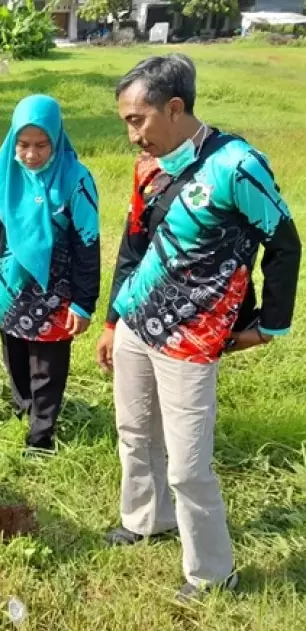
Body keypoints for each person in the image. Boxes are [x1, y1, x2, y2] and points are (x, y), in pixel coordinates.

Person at [96, 54, 301, 600]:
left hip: (192, 338)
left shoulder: (237, 167)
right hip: (140, 321)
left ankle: (213, 574)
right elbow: (134, 245)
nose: (132, 135)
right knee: (135, 434)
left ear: (176, 107)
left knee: (188, 467)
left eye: (137, 120)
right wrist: (114, 320)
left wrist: (269, 327)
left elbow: (284, 243)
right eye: (126, 123)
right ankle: (144, 519)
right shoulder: (150, 166)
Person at [0, 94, 101, 453]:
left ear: (56, 139)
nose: (31, 154)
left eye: (42, 145)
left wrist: (84, 302)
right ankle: (24, 405)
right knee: (15, 356)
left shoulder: (77, 181)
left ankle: (41, 435)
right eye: (23, 145)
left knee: (48, 367)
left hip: (57, 294)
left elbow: (88, 246)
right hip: (9, 291)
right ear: (13, 141)